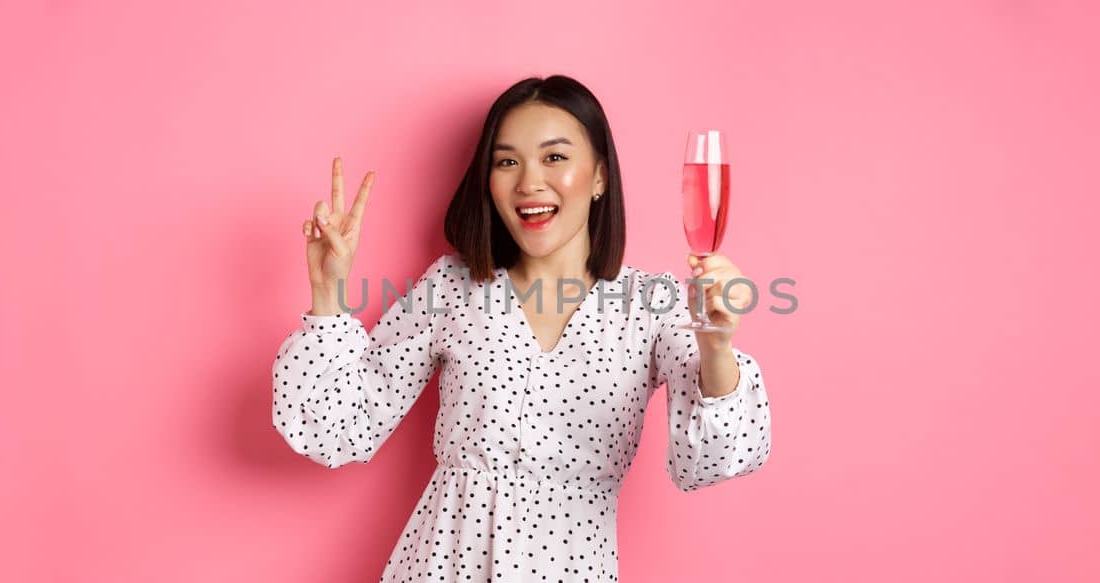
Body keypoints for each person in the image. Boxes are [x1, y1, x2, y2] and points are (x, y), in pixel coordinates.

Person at [272, 75, 772, 581]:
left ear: (600, 175)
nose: (529, 181)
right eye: (507, 161)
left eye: (554, 158)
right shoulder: (451, 287)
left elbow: (713, 460)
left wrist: (717, 345)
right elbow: (337, 429)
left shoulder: (652, 305)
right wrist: (329, 292)